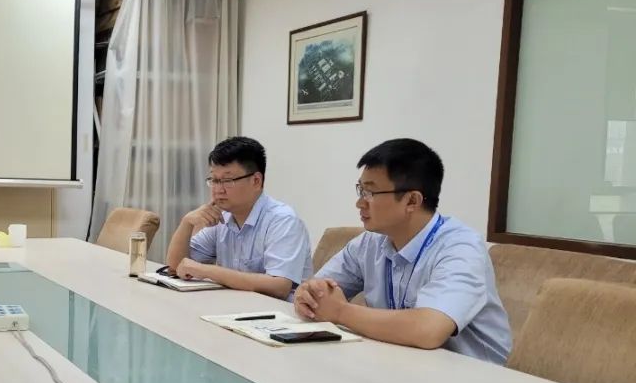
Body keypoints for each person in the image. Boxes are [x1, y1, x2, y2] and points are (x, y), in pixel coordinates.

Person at [294, 138, 511, 364]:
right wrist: (307, 295)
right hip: (398, 363)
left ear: (412, 201)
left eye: (370, 193)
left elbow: (428, 329)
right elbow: (317, 290)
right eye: (361, 190)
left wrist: (340, 311)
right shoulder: (370, 242)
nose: (360, 203)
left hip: (470, 375)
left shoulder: (461, 248)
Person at [165, 136, 312, 298]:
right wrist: (186, 223)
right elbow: (177, 266)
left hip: (277, 311)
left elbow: (279, 286)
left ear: (256, 181)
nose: (218, 190)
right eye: (214, 180)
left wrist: (207, 271)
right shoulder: (223, 218)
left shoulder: (283, 220)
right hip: (233, 306)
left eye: (227, 180)